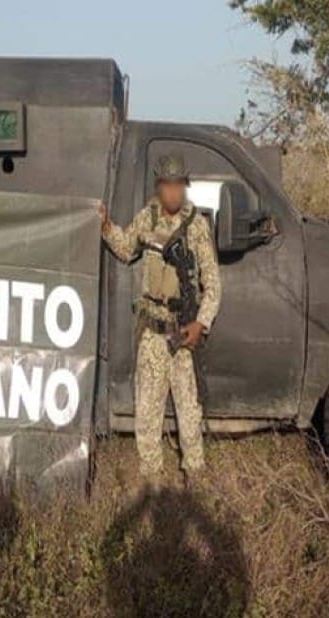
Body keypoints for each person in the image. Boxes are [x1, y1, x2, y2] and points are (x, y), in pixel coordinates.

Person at [98, 154, 222, 487]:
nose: (173, 192)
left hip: (183, 332)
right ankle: (153, 484)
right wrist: (107, 227)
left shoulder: (197, 226)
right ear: (159, 186)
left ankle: (194, 478)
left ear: (185, 186)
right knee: (148, 416)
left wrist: (201, 324)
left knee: (189, 414)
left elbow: (212, 284)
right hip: (152, 333)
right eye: (168, 185)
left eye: (179, 185)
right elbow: (125, 249)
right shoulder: (147, 217)